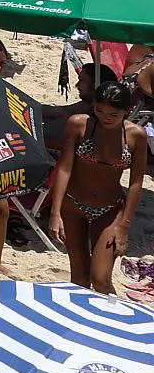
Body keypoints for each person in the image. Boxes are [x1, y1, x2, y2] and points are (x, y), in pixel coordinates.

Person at [47, 78, 151, 294]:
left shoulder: (135, 137)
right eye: (100, 111)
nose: (105, 118)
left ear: (127, 111)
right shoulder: (79, 125)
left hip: (110, 209)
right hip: (73, 205)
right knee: (79, 277)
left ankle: (118, 322)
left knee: (101, 279)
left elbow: (136, 183)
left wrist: (124, 226)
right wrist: (55, 213)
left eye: (113, 114)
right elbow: (64, 168)